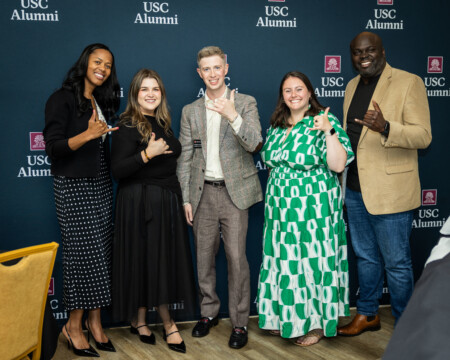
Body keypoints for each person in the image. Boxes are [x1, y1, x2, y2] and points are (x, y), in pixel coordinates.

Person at [337, 31, 432, 336]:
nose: (363, 56)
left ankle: (407, 324)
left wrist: (387, 127)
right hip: (353, 187)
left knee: (397, 263)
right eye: (357, 52)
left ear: (381, 51)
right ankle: (367, 313)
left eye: (369, 51)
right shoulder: (351, 86)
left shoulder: (409, 82)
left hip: (390, 191)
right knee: (365, 257)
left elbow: (423, 136)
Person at [257, 71, 354, 346]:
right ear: (282, 96)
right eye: (288, 90)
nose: (294, 95)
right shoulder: (277, 124)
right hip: (280, 207)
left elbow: (337, 165)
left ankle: (316, 324)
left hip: (315, 206)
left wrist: (328, 131)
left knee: (314, 262)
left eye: (299, 89)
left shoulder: (324, 120)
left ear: (310, 92)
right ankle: (285, 317)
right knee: (284, 262)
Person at [176, 46, 263, 349]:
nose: (212, 74)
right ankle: (208, 313)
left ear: (226, 68)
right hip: (202, 195)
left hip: (235, 194)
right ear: (199, 73)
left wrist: (232, 114)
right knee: (203, 259)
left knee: (238, 260)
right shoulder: (190, 111)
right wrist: (186, 198)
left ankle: (239, 323)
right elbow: (186, 158)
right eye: (206, 69)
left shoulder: (246, 102)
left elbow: (254, 143)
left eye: (217, 68)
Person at [111, 69, 196, 354]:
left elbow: (171, 170)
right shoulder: (126, 126)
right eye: (144, 89)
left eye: (155, 89)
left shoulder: (163, 125)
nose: (150, 94)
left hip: (165, 203)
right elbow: (118, 170)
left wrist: (180, 200)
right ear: (135, 95)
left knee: (158, 262)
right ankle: (167, 323)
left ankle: (140, 320)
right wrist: (148, 154)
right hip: (136, 204)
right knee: (143, 261)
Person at [43, 43, 120, 357]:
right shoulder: (60, 98)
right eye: (97, 61)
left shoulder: (100, 101)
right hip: (73, 187)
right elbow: (53, 148)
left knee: (101, 253)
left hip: (101, 184)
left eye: (107, 65)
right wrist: (88, 135)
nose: (102, 68)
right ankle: (73, 326)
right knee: (83, 257)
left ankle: (95, 322)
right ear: (84, 63)